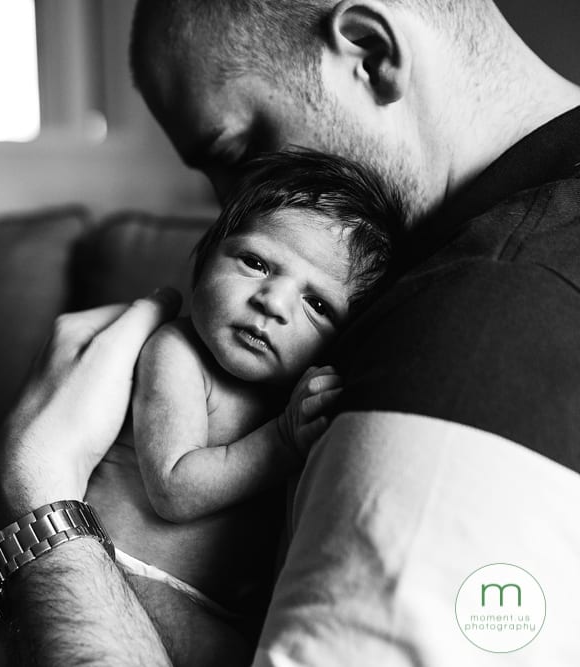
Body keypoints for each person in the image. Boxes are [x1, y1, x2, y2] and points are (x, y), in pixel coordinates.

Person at [0, 0, 580, 664]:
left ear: (368, 54)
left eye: (241, 154)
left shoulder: (481, 310)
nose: (230, 212)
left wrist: (34, 496)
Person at [83, 150, 401, 658]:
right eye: (255, 263)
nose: (273, 302)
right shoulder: (178, 353)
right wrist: (279, 441)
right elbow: (174, 487)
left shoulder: (296, 391)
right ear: (205, 260)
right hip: (128, 578)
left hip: (217, 603)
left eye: (317, 304)